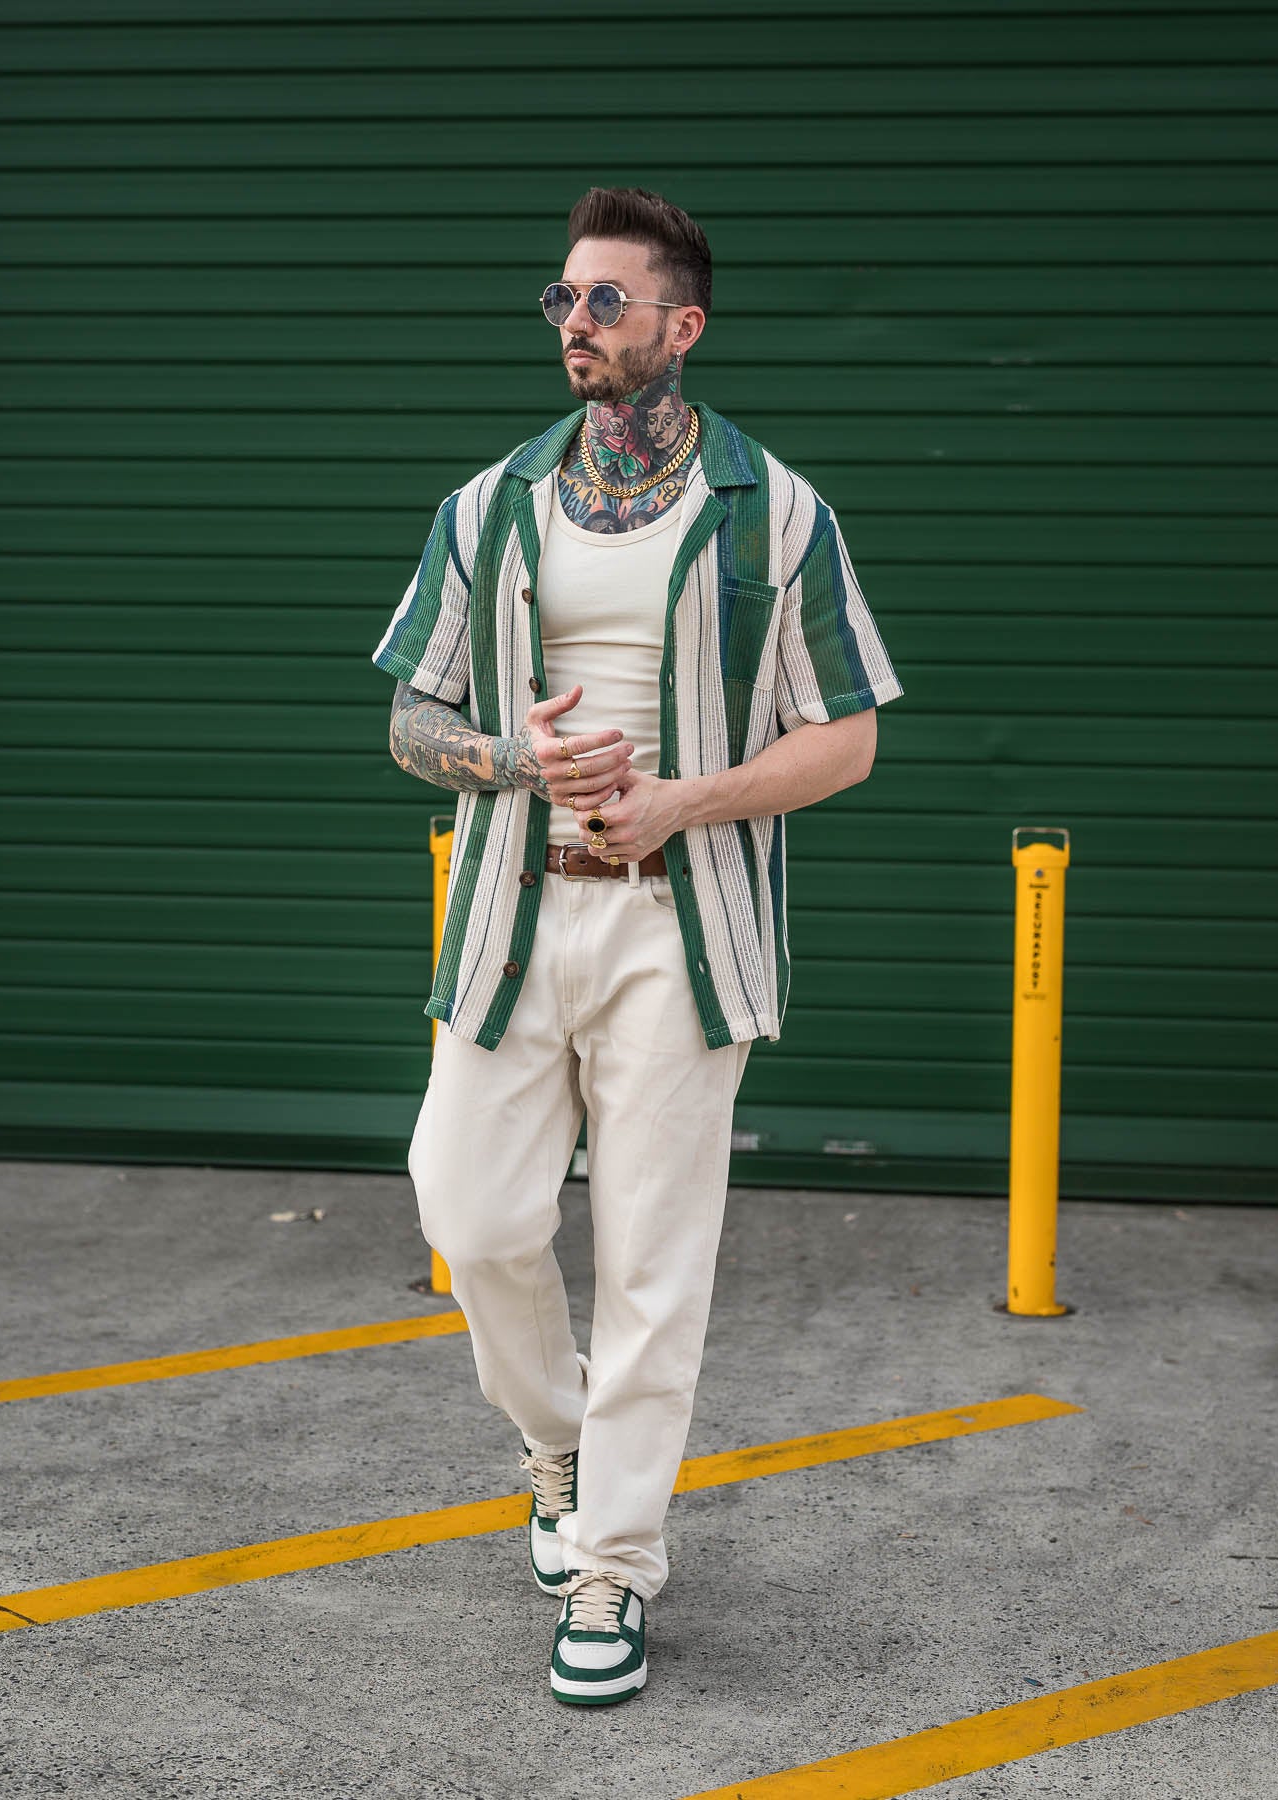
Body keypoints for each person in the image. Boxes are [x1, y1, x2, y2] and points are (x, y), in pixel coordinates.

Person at [372, 186, 903, 1707]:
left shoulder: (778, 511)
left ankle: (612, 1568)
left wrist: (686, 802)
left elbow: (848, 739)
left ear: (684, 326)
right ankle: (554, 1450)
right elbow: (411, 718)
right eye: (562, 299)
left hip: (684, 926)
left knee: (658, 1268)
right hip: (511, 907)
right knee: (468, 1216)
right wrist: (514, 765)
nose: (575, 323)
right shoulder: (491, 506)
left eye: (606, 300)